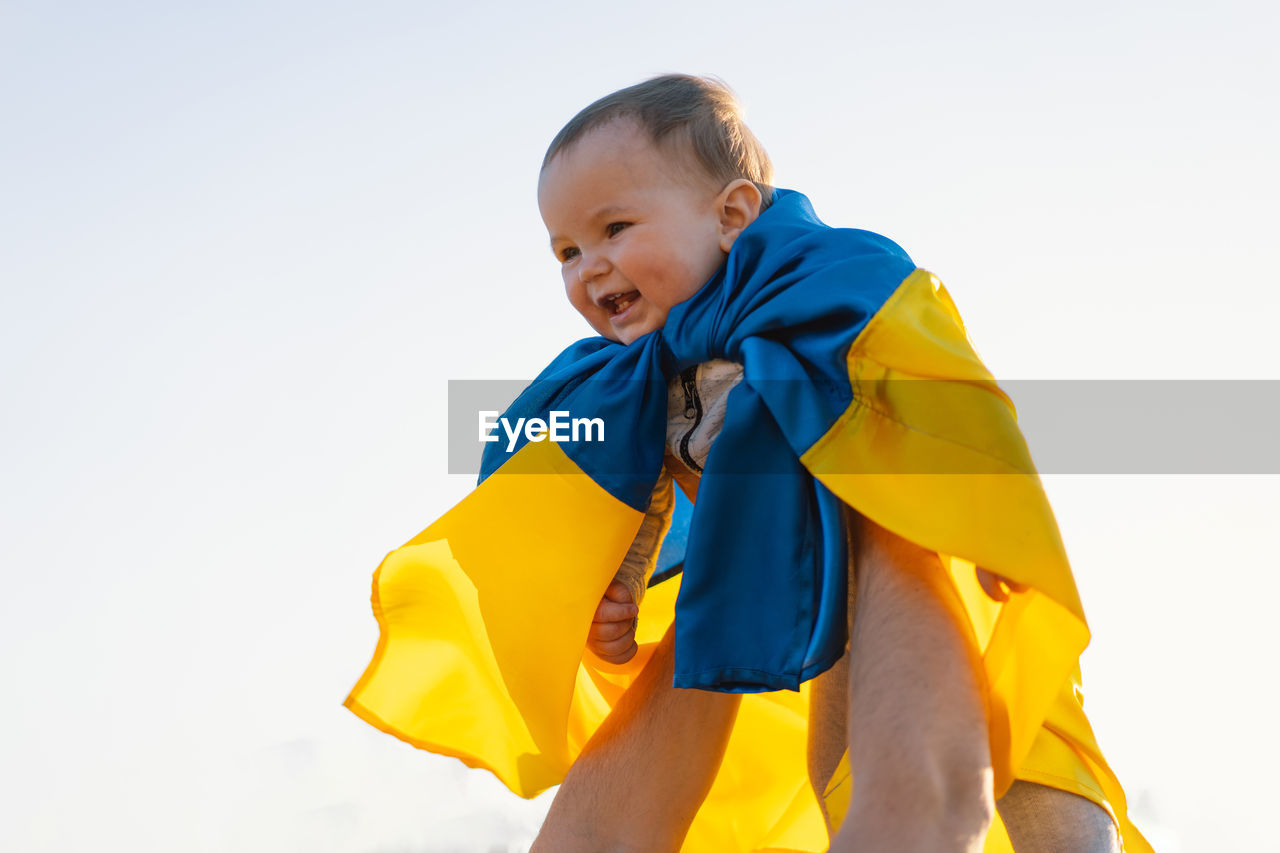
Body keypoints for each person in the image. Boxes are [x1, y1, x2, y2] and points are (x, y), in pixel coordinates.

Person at [346, 75, 1151, 852]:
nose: (587, 265)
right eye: (565, 249)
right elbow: (640, 488)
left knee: (1046, 809)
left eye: (615, 228)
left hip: (925, 571)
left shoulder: (830, 286)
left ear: (731, 213)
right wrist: (619, 590)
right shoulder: (643, 386)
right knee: (836, 768)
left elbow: (942, 392)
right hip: (806, 611)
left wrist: (979, 513)